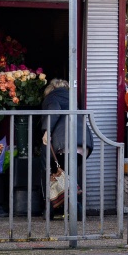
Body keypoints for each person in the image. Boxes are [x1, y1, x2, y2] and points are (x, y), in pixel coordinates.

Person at [41, 79, 93, 221]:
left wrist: (47, 130)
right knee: (70, 175)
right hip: (83, 143)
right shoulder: (71, 98)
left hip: (66, 143)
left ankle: (58, 208)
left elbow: (54, 110)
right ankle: (76, 208)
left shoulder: (53, 97)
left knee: (55, 174)